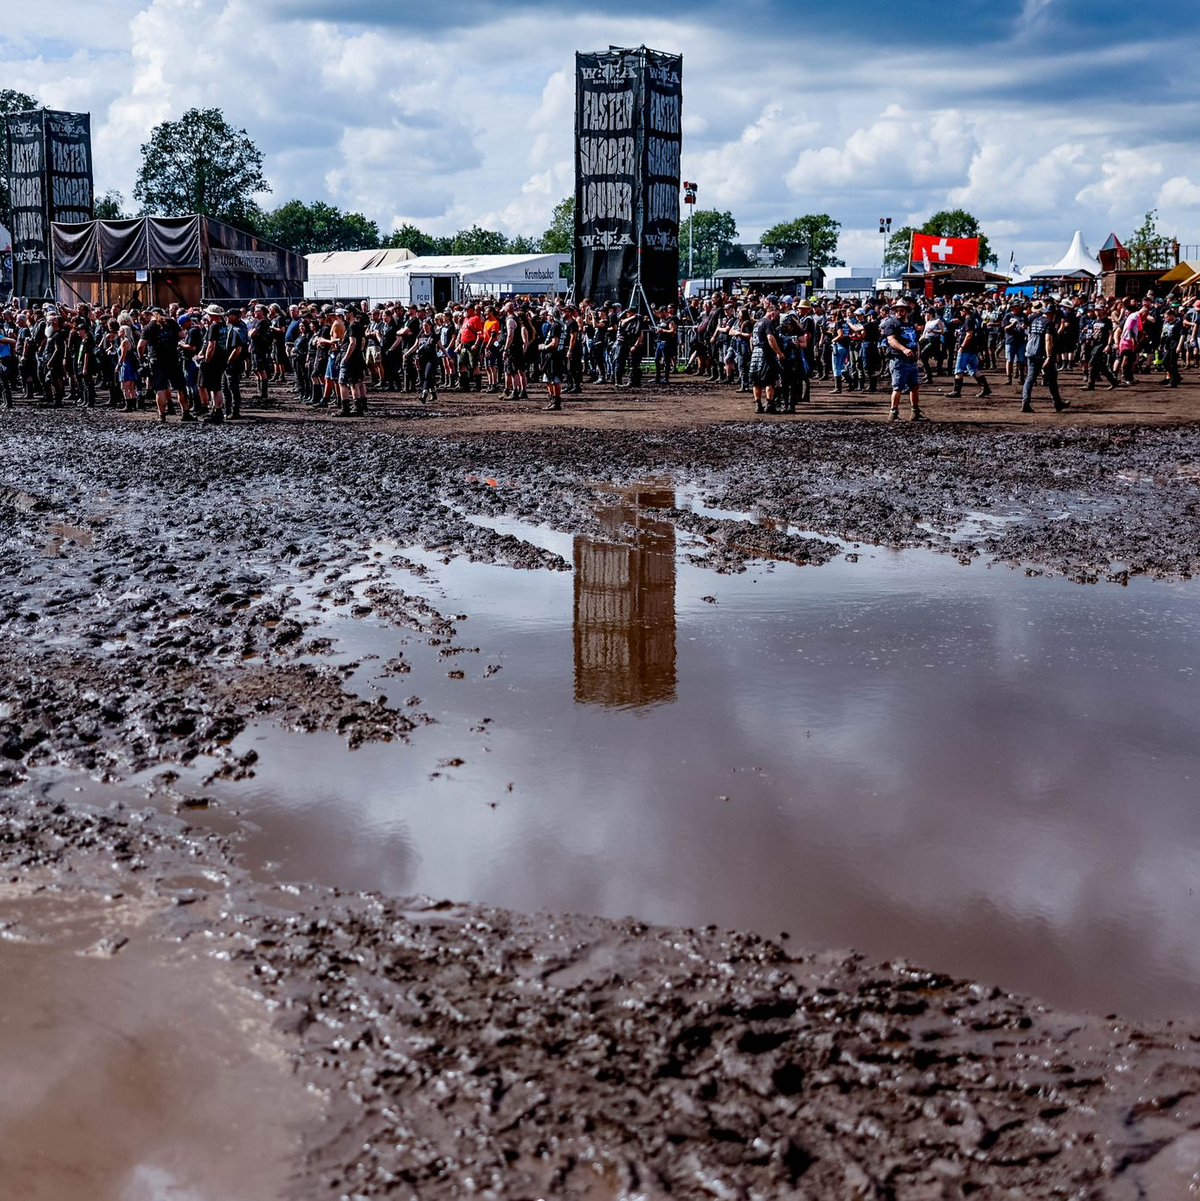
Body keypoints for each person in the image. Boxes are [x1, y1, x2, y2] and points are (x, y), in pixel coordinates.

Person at [879, 297, 925, 421]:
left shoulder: (910, 324)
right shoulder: (892, 323)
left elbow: (915, 340)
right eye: (897, 310)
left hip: (911, 361)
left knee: (914, 386)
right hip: (898, 359)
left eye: (901, 310)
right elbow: (891, 340)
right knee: (898, 387)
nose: (899, 312)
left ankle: (915, 411)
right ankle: (893, 413)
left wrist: (918, 351)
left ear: (906, 311)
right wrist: (904, 349)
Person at [1021, 300, 1067, 413]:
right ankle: (1058, 403)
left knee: (1030, 378)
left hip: (1031, 351)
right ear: (1052, 314)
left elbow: (1030, 335)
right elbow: (1048, 340)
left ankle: (1025, 403)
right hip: (1041, 353)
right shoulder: (1049, 323)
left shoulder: (1035, 320)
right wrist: (1049, 356)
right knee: (1052, 379)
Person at [749, 301, 785, 414]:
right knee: (770, 380)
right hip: (766, 354)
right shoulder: (768, 322)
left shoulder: (757, 323)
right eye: (777, 315)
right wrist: (779, 352)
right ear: (772, 313)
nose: (777, 317)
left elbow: (751, 339)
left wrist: (753, 351)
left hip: (755, 353)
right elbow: (770, 338)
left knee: (756, 381)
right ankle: (770, 404)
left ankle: (758, 405)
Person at [949, 303, 991, 398]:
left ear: (965, 310)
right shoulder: (974, 319)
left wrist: (962, 347)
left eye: (961, 310)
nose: (960, 312)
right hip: (973, 348)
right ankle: (986, 388)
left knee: (958, 370)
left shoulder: (968, 320)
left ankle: (956, 391)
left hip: (966, 349)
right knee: (973, 369)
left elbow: (969, 334)